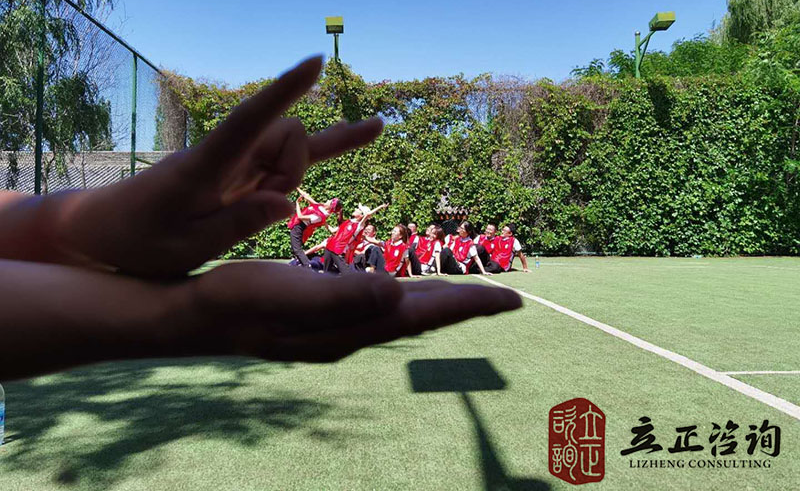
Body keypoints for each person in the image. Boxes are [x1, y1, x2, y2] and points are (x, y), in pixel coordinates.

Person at [0, 56, 521, 381]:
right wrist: (179, 314)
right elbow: (312, 202)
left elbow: (332, 212)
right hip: (302, 232)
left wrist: (68, 225)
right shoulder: (322, 212)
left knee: (318, 256)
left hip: (307, 234)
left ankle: (310, 266)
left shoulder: (329, 216)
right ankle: (309, 266)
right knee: (313, 254)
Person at [323, 203, 387, 274]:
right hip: (330, 247)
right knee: (326, 272)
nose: (356, 209)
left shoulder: (359, 226)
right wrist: (323, 221)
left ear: (361, 215)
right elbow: (333, 230)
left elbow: (368, 215)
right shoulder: (347, 222)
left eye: (359, 209)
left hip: (338, 250)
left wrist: (380, 206)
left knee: (347, 273)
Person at [287, 188, 340, 268]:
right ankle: (304, 264)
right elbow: (307, 196)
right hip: (298, 225)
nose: (328, 200)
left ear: (330, 206)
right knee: (296, 249)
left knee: (297, 249)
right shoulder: (320, 207)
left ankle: (307, 266)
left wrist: (297, 203)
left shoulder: (319, 216)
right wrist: (297, 187)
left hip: (299, 227)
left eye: (330, 201)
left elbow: (300, 217)